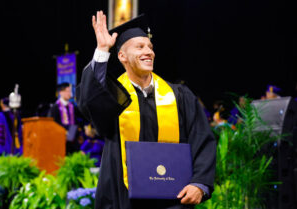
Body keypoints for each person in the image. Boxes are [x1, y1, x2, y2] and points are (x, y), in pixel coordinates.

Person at [76, 11, 216, 209]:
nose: (149, 51)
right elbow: (88, 101)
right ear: (122, 56)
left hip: (174, 199)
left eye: (150, 47)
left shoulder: (179, 96)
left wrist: (199, 184)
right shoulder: (114, 96)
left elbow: (202, 139)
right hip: (124, 197)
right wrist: (102, 50)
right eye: (140, 47)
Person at [48, 82, 83, 154]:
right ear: (61, 92)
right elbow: (53, 124)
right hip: (60, 139)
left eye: (70, 91)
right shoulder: (55, 108)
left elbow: (77, 122)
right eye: (67, 91)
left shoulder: (72, 107)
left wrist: (78, 134)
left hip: (73, 139)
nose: (69, 93)